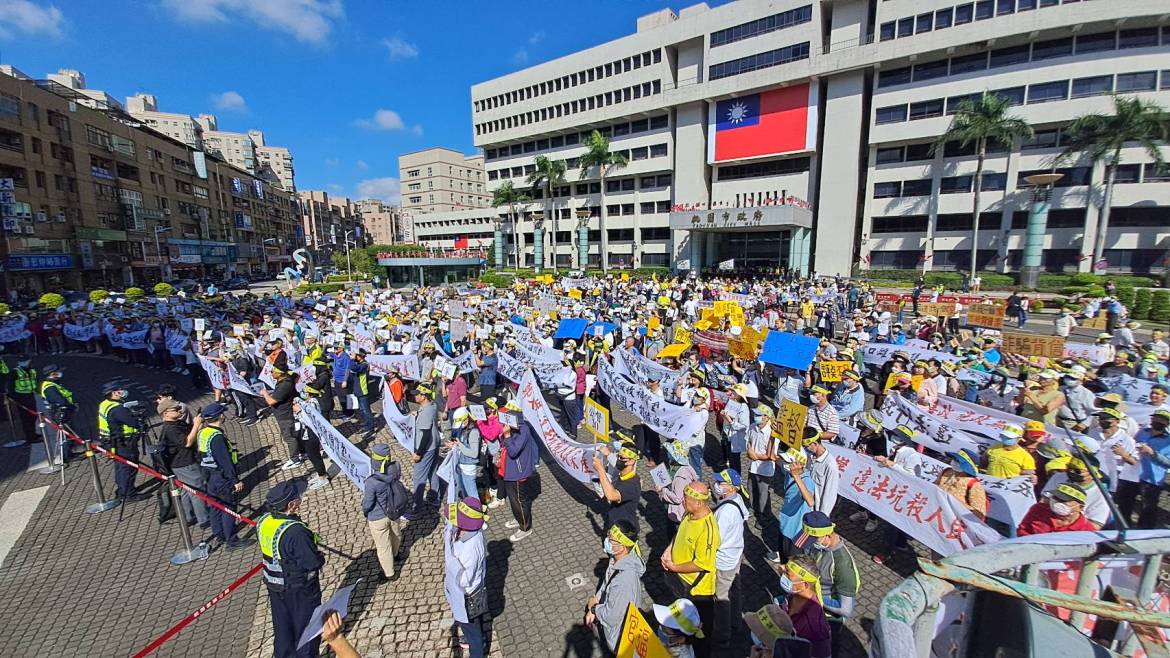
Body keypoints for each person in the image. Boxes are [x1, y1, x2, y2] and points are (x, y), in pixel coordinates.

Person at [257, 481, 325, 658]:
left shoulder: (264, 520)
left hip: (274, 584)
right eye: (298, 498)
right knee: (307, 629)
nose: (301, 499)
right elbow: (311, 562)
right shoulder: (295, 531)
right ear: (291, 505)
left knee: (283, 628)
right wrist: (320, 556)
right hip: (299, 588)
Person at [661, 482, 719, 657]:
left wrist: (674, 567)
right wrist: (669, 549)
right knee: (683, 623)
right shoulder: (689, 512)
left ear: (699, 503)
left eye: (686, 499)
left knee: (699, 634)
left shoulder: (708, 530)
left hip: (697, 591)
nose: (682, 502)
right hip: (680, 581)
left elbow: (702, 564)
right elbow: (680, 532)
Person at [793, 511, 858, 657]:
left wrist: (814, 598)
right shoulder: (818, 546)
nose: (809, 546)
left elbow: (846, 609)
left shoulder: (842, 565)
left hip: (828, 620)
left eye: (813, 540)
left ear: (827, 536)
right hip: (812, 610)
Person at [196, 403, 252, 550]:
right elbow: (225, 461)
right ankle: (231, 540)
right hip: (221, 478)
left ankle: (219, 535)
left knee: (215, 507)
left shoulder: (203, 432)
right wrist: (235, 480)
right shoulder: (217, 437)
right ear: (220, 416)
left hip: (209, 477)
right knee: (228, 508)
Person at [585, 520, 645, 654]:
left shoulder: (624, 581)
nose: (606, 540)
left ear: (622, 547)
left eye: (611, 539)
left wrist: (594, 608)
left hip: (619, 640)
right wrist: (596, 598)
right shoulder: (617, 560)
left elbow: (611, 617)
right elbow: (606, 583)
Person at [443, 497, 488, 658]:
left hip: (468, 596)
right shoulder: (472, 534)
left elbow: (464, 579)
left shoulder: (469, 549)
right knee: (476, 624)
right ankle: (478, 638)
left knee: (472, 628)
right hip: (475, 591)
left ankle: (477, 651)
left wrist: (451, 571)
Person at [711, 469, 749, 653]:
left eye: (720, 483)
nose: (716, 485)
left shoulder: (725, 512)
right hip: (735, 555)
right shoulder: (737, 500)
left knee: (722, 599)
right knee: (735, 589)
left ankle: (723, 636)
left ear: (731, 487)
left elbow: (715, 538)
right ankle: (735, 623)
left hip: (724, 560)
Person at [158, 399, 209, 529]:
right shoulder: (170, 429)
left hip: (180, 463)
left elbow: (191, 434)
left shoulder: (177, 423)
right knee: (197, 490)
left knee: (186, 490)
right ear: (165, 414)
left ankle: (188, 516)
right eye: (175, 410)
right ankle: (203, 518)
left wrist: (197, 425)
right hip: (185, 463)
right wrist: (196, 425)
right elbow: (186, 442)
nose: (180, 411)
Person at [364, 443, 409, 582]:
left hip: (377, 517)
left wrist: (365, 511)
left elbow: (368, 503)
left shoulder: (372, 482)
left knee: (383, 546)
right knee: (396, 534)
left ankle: (389, 573)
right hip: (394, 511)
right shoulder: (396, 467)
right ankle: (396, 554)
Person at [776, 555, 833, 658]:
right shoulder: (792, 595)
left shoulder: (814, 624)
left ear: (805, 585)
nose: (782, 575)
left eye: (787, 574)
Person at [98, 382, 147, 502]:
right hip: (124, 443)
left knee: (121, 468)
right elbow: (133, 422)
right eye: (119, 390)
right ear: (113, 393)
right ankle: (128, 494)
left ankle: (122, 491)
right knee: (128, 468)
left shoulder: (105, 404)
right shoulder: (117, 409)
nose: (122, 392)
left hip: (112, 442)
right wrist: (139, 420)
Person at [406, 385, 442, 520]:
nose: (414, 396)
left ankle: (417, 508)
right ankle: (434, 497)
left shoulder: (426, 411)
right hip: (435, 444)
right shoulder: (431, 406)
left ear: (424, 396)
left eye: (417, 394)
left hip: (426, 448)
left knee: (419, 478)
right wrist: (417, 414)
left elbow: (426, 435)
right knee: (433, 472)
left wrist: (418, 453)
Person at [592, 436, 642, 533]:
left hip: (625, 531)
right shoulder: (622, 475)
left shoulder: (631, 484)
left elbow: (611, 495)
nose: (618, 459)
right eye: (618, 456)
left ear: (631, 461)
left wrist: (601, 470)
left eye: (622, 458)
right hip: (615, 524)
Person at [789, 425, 840, 518]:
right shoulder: (810, 456)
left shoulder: (830, 465)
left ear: (815, 444)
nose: (804, 449)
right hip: (803, 505)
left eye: (806, 446)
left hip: (816, 511)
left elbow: (830, 495)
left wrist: (822, 517)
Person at [1131, 409, 1170, 528]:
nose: (1158, 420)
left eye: (1162, 419)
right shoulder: (1142, 432)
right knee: (1125, 503)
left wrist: (1152, 453)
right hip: (1132, 474)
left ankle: (1144, 532)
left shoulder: (1168, 441)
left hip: (1152, 479)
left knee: (1148, 508)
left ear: (1167, 424)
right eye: (1156, 418)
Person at [502, 413, 537, 542]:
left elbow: (513, 451)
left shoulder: (523, 430)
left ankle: (525, 527)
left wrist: (507, 436)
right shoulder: (514, 428)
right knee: (514, 500)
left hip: (518, 472)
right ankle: (519, 518)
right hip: (510, 471)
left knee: (519, 500)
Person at [1016, 483, 1096, 536]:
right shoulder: (1038, 510)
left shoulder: (1086, 531)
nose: (1057, 502)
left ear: (1080, 507)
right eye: (1055, 497)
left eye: (1064, 501)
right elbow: (1023, 531)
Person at [262, 367, 302, 470]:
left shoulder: (285, 385)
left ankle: (295, 459)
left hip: (285, 414)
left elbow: (271, 402)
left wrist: (265, 393)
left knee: (289, 437)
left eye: (272, 371)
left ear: (280, 373)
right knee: (291, 435)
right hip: (282, 413)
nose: (271, 373)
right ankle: (301, 452)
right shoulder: (284, 381)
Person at [38, 365, 76, 463]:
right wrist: (70, 405)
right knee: (66, 434)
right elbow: (60, 401)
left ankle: (69, 453)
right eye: (57, 372)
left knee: (68, 433)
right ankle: (65, 456)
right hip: (60, 413)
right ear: (52, 374)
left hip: (61, 412)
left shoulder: (52, 384)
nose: (60, 373)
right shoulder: (50, 388)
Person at [744, 405, 776, 521]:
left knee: (763, 494)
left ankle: (764, 516)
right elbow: (748, 441)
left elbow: (771, 456)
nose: (755, 417)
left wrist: (755, 456)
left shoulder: (772, 433)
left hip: (765, 470)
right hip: (753, 467)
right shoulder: (752, 427)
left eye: (759, 415)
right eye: (756, 414)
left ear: (767, 418)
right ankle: (754, 508)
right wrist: (749, 450)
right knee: (751, 488)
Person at [658, 441, 700, 523]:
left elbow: (677, 498)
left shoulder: (681, 477)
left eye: (670, 452)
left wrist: (663, 490)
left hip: (678, 514)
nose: (668, 454)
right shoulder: (675, 465)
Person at [448, 407, 482, 499]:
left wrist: (460, 445)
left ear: (467, 418)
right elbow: (464, 446)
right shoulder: (465, 430)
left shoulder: (474, 432)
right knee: (465, 494)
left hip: (469, 467)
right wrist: (456, 445)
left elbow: (474, 453)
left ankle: (477, 511)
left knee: (472, 495)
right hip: (463, 465)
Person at [720, 383, 750, 472]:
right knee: (731, 458)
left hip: (735, 438)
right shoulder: (732, 403)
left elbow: (744, 426)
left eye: (734, 392)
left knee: (735, 461)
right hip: (727, 435)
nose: (731, 393)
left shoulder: (743, 408)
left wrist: (730, 421)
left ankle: (736, 481)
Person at [349, 350, 377, 438]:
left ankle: (371, 427)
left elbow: (353, 368)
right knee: (362, 409)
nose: (355, 357)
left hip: (362, 391)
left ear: (360, 356)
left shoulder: (364, 364)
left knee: (366, 410)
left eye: (356, 356)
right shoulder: (359, 364)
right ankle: (367, 423)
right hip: (357, 390)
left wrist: (352, 359)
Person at [11, 358, 38, 444]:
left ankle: (33, 434)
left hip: (30, 395)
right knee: (26, 419)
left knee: (33, 416)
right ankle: (30, 437)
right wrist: (15, 399)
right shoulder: (15, 372)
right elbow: (11, 387)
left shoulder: (30, 370)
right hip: (21, 398)